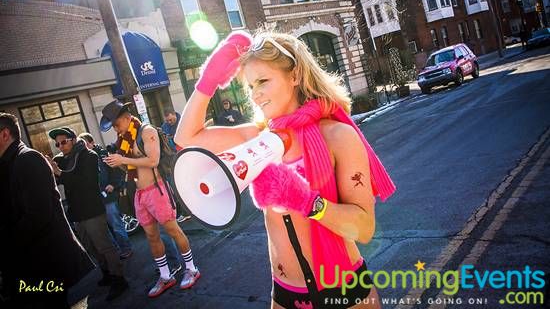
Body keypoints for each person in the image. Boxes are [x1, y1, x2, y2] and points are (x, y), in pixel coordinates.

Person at [175, 31, 397, 308]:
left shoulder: (338, 136)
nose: (255, 95)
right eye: (250, 86)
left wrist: (305, 201)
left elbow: (364, 228)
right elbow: (186, 139)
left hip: (344, 289)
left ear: (294, 76)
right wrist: (208, 81)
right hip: (284, 294)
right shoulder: (254, 139)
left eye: (263, 81)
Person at [101, 101, 200, 298]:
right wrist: (117, 162)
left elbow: (153, 160)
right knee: (152, 236)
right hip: (140, 194)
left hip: (157, 189)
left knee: (173, 230)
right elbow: (132, 168)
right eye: (112, 125)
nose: (115, 128)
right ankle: (165, 275)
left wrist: (124, 160)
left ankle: (192, 269)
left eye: (116, 124)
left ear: (127, 118)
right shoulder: (124, 139)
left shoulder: (146, 131)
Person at [0, 113, 94, 309]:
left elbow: (38, 215)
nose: (59, 147)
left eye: (63, 142)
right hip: (32, 267)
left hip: (49, 265)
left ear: (4, 134)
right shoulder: (9, 165)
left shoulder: (28, 159)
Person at [45, 127, 128, 302]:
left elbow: (86, 181)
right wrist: (50, 168)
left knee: (104, 246)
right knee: (91, 247)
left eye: (63, 142)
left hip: (92, 209)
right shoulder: (62, 159)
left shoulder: (89, 156)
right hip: (77, 212)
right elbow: (59, 180)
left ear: (73, 139)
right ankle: (106, 273)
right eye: (57, 144)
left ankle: (119, 279)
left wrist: (60, 172)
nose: (60, 146)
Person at [79, 132, 133, 259]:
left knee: (116, 224)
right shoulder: (83, 159)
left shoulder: (103, 154)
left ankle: (126, 249)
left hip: (108, 197)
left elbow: (117, 171)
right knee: (104, 229)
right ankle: (117, 251)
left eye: (86, 144)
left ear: (92, 143)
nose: (84, 147)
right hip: (95, 200)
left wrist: (113, 185)